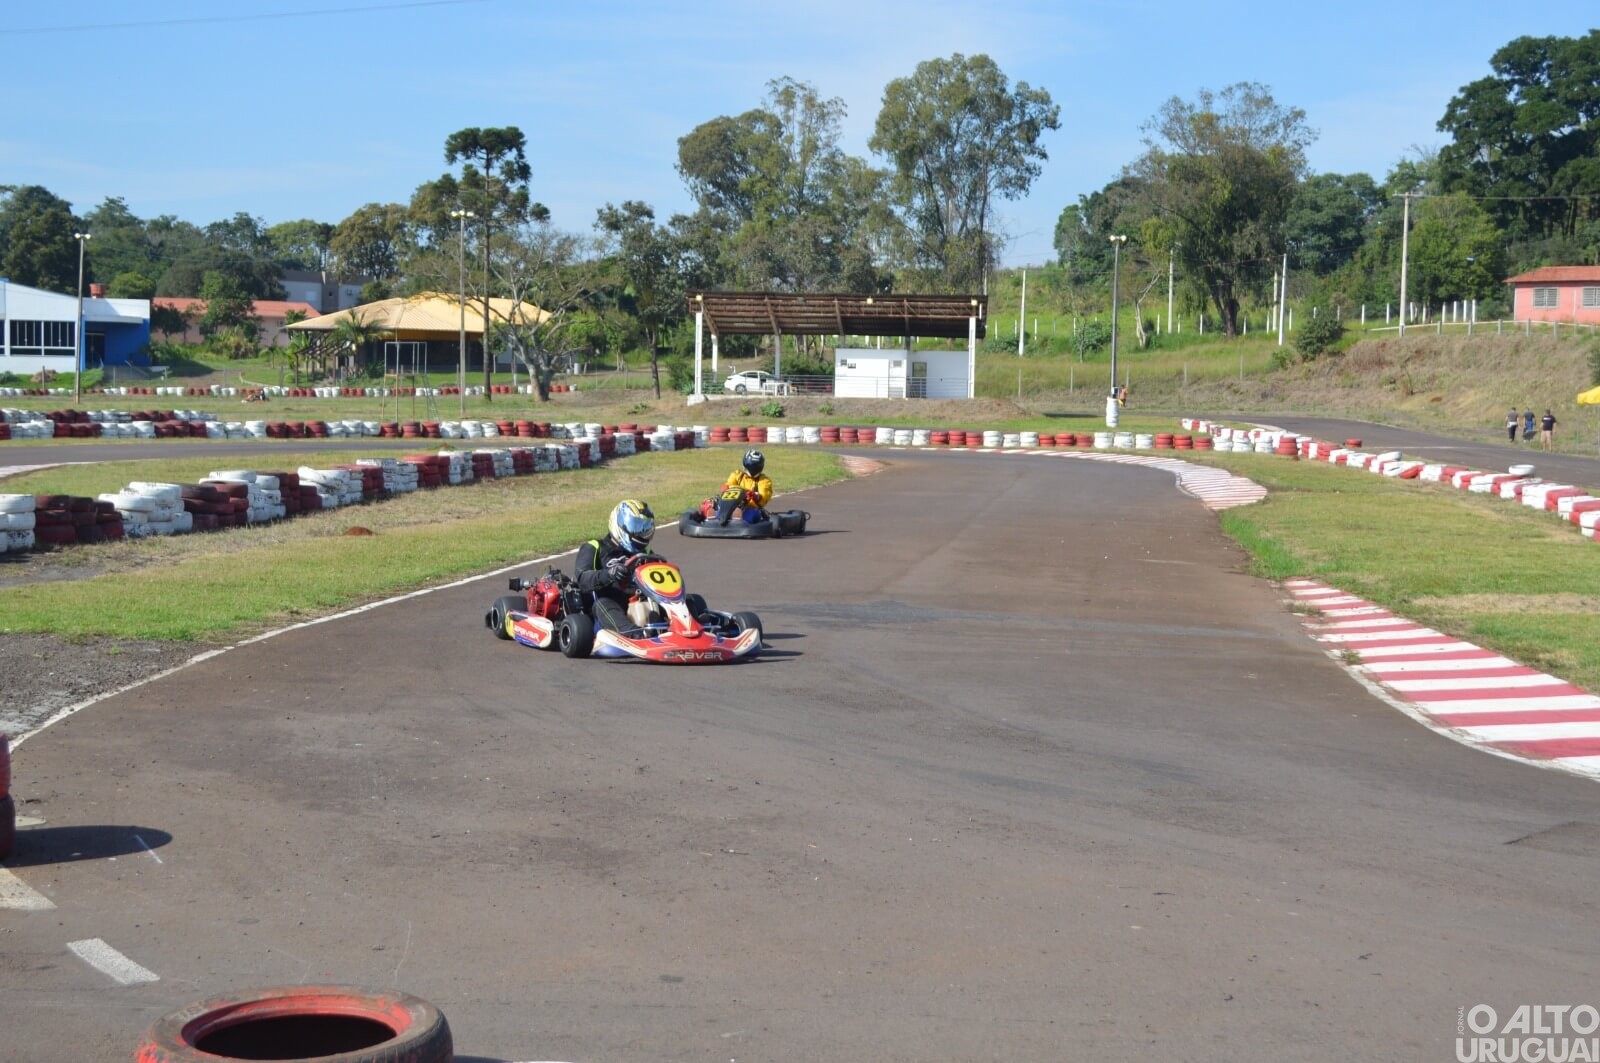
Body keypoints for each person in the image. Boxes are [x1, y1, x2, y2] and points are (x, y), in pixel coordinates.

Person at [575, 499, 658, 632]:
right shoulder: (595, 547)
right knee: (603, 604)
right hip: (611, 602)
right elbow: (582, 579)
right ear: (620, 523)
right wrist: (609, 574)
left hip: (641, 599)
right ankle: (633, 633)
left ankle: (694, 624)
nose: (641, 533)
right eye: (636, 527)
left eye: (645, 528)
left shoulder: (645, 553)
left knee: (685, 600)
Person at [714, 449, 774, 526]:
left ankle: (737, 522)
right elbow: (728, 485)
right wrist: (726, 488)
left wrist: (755, 496)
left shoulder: (764, 480)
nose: (753, 470)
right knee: (715, 509)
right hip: (731, 506)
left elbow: (764, 497)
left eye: (755, 467)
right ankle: (716, 519)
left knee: (747, 516)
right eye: (751, 467)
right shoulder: (737, 475)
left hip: (751, 508)